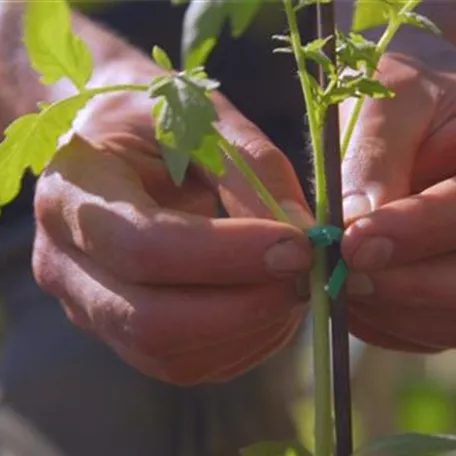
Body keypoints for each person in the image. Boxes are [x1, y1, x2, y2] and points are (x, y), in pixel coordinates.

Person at [0, 0, 455, 454]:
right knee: (91, 393)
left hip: (306, 175)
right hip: (78, 205)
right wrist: (101, 86)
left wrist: (419, 39)